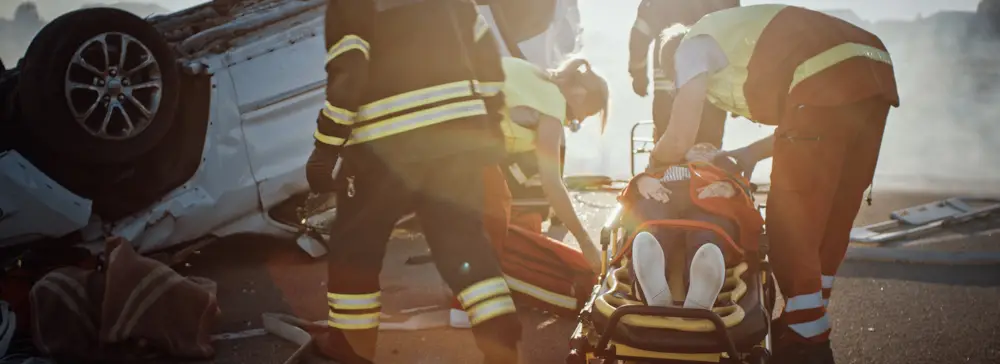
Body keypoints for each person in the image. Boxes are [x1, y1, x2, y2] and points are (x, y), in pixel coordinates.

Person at [647, 5, 899, 364]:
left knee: (789, 219)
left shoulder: (688, 45)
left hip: (823, 77)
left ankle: (807, 344)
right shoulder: (740, 43)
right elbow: (804, 124)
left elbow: (680, 134)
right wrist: (745, 154)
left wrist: (654, 165)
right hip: (875, 73)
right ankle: (807, 321)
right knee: (832, 216)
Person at [303, 1, 523, 363]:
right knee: (465, 246)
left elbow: (350, 74)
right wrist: (491, 128)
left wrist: (325, 146)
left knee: (355, 249)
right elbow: (488, 61)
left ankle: (350, 350)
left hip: (384, 147)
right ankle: (501, 345)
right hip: (456, 140)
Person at [451, 55, 610, 327]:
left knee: (493, 206)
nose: (577, 122)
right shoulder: (554, 108)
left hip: (447, 120)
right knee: (493, 214)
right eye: (585, 116)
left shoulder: (536, 76)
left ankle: (467, 294)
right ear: (580, 94)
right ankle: (464, 307)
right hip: (461, 140)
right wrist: (584, 241)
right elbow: (552, 184)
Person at [626, 143, 761, 310]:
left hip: (709, 199)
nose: (702, 148)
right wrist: (642, 181)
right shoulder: (667, 167)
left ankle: (700, 288)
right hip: (664, 193)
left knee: (710, 228)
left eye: (709, 148)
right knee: (649, 222)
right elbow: (636, 187)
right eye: (696, 146)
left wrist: (728, 188)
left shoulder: (724, 174)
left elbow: (743, 191)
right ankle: (649, 285)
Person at [628, 0, 739, 150]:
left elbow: (640, 36)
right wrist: (737, 92)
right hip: (713, 92)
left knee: (668, 151)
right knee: (706, 155)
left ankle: (666, 171)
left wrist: (638, 74)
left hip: (668, 91)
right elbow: (735, 37)